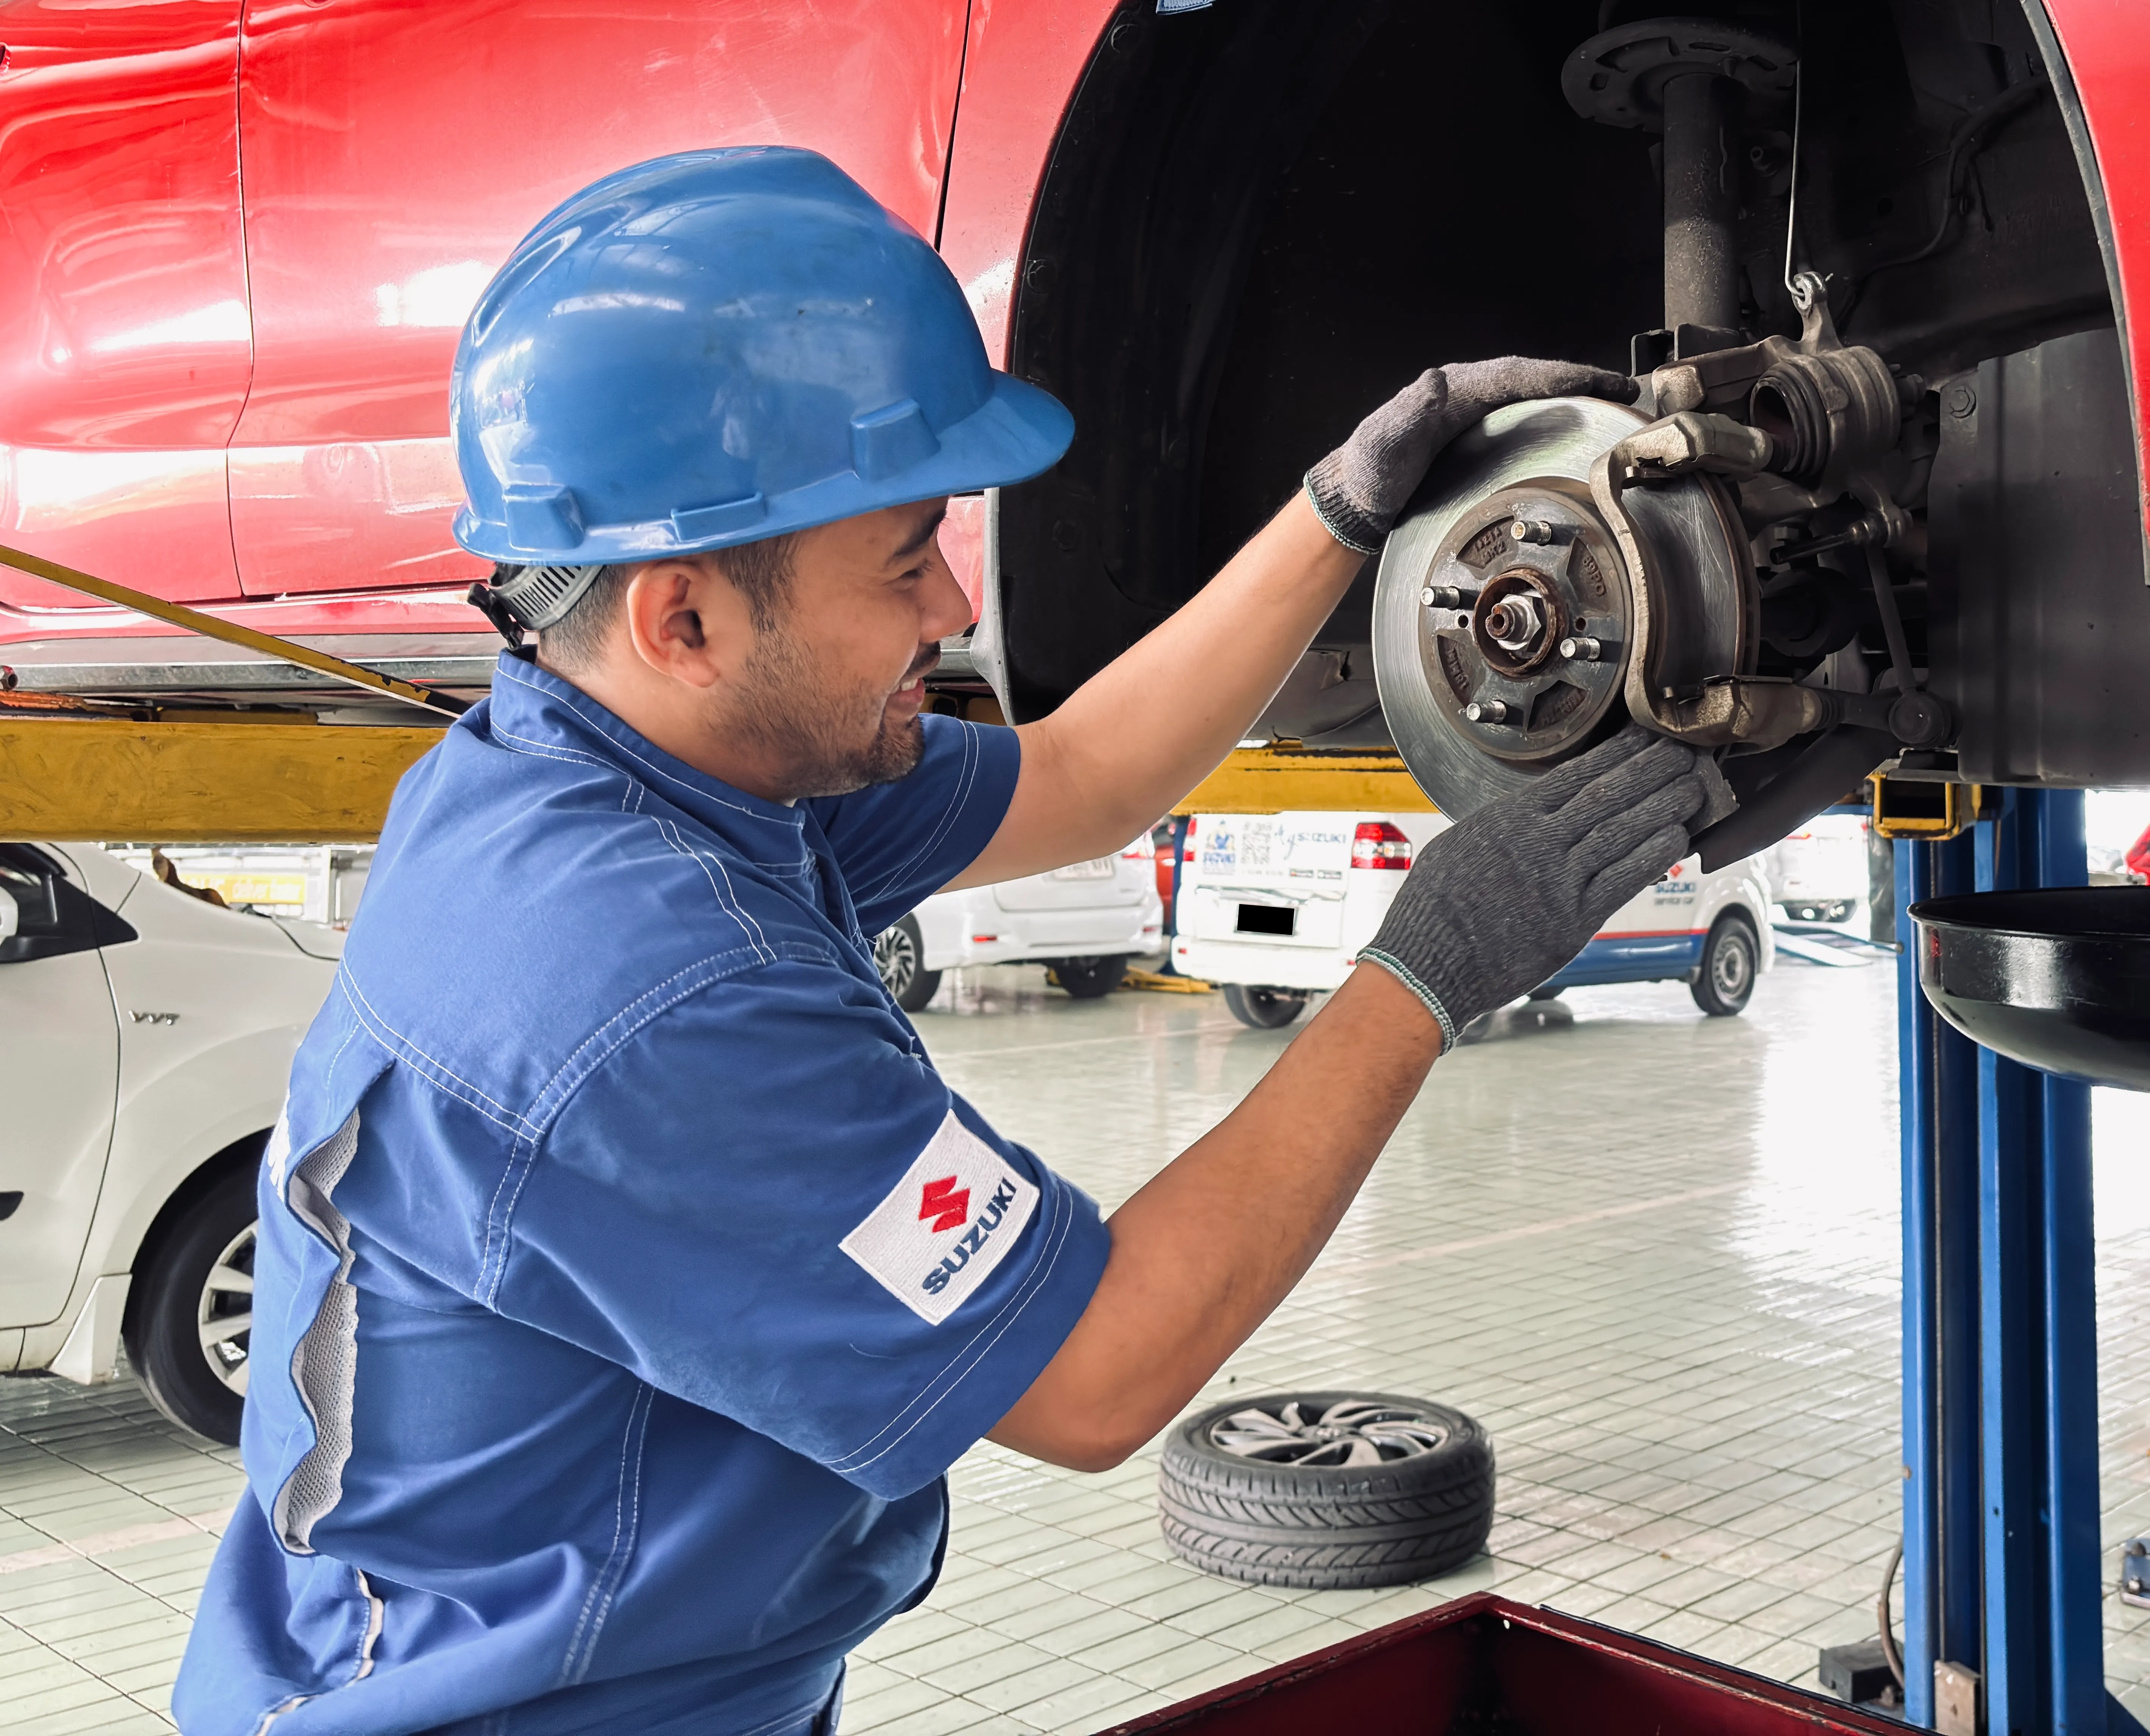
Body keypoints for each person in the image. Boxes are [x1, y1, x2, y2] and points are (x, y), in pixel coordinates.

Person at [174, 148, 1716, 1736]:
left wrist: (1337, 511)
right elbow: (1101, 1371)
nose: (950, 601)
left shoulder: (637, 766)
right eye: (907, 553)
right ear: (684, 620)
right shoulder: (641, 987)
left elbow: (1086, 776)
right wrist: (1428, 970)